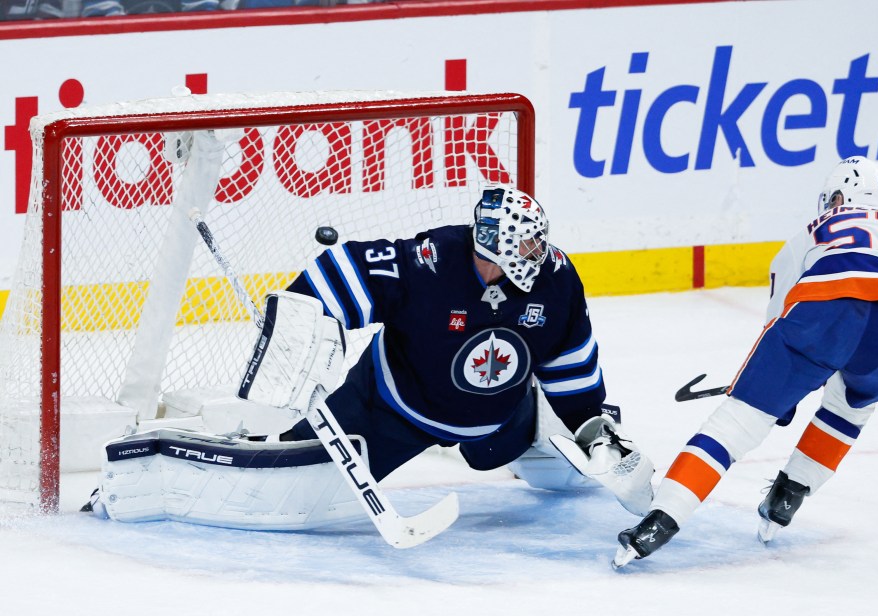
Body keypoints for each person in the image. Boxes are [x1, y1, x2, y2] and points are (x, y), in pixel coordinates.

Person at [89, 185, 654, 530]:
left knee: (548, 477)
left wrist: (590, 423)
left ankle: (537, 427)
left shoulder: (555, 281)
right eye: (525, 245)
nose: (539, 254)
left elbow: (569, 354)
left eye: (538, 242)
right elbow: (351, 269)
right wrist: (301, 319)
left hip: (499, 415)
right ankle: (153, 481)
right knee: (301, 473)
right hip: (391, 407)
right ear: (495, 244)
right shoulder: (432, 261)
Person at [614, 156, 878, 568]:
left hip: (826, 312)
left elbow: (777, 321)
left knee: (739, 421)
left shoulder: (811, 231)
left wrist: (775, 396)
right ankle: (788, 496)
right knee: (849, 409)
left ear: (838, 196)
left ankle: (661, 519)